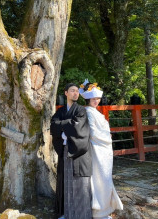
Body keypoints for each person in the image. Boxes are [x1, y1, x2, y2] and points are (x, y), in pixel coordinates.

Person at [79, 79, 123, 219]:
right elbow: (93, 132)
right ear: (88, 99)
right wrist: (108, 138)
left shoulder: (96, 112)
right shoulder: (89, 113)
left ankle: (104, 209)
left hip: (103, 150)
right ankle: (98, 211)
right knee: (99, 178)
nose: (96, 101)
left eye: (98, 98)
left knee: (104, 177)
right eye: (93, 98)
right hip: (96, 149)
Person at [50, 83, 92, 219]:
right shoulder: (60, 111)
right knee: (65, 182)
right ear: (66, 93)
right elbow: (53, 125)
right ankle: (66, 214)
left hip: (78, 152)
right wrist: (66, 127)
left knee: (79, 184)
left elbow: (77, 128)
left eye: (77, 91)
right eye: (72, 91)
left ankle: (80, 215)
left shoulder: (81, 110)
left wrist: (63, 129)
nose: (75, 93)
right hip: (65, 150)